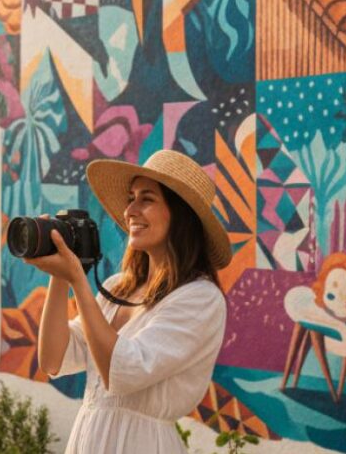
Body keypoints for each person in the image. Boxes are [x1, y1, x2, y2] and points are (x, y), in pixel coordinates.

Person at [27, 149, 231, 453]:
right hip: (90, 440)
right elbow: (53, 359)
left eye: (146, 199)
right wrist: (58, 275)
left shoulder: (201, 299)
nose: (130, 210)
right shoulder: (117, 289)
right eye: (131, 197)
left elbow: (123, 372)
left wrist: (77, 280)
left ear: (181, 215)